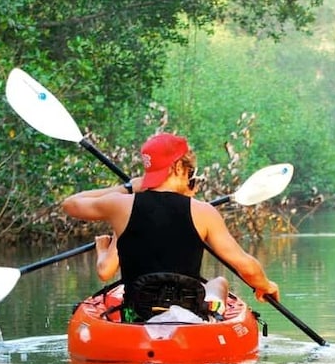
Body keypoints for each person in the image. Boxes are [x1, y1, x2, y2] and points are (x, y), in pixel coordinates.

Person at [62, 132, 279, 322]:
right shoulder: (203, 212)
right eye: (190, 170)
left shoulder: (119, 205)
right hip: (190, 315)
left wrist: (127, 187)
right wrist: (266, 285)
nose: (191, 176)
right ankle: (212, 316)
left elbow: (71, 204)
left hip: (136, 314)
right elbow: (246, 265)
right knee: (219, 282)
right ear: (177, 167)